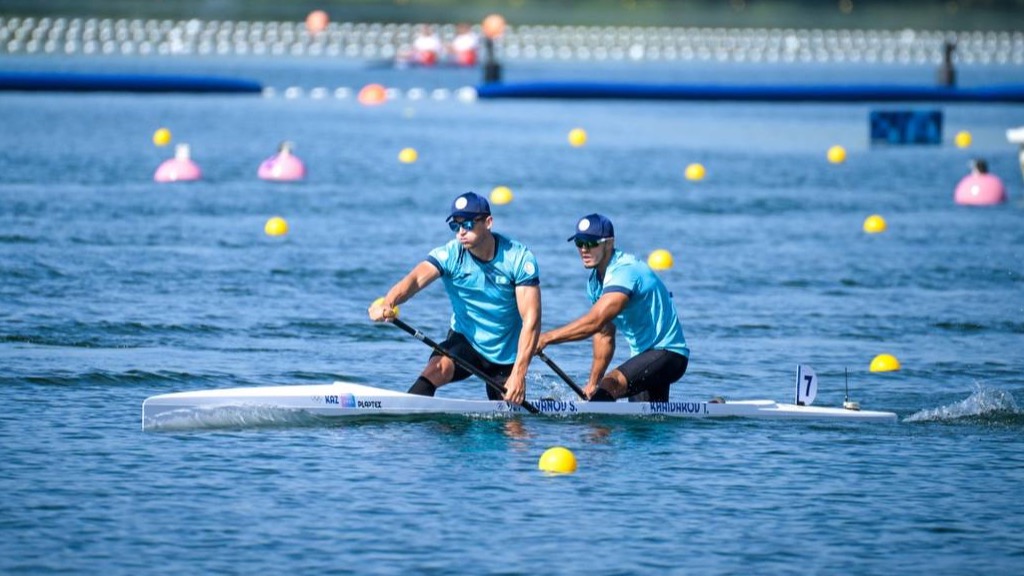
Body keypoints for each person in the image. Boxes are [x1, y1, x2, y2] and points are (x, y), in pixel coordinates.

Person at [368, 192, 541, 405]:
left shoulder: (518, 258)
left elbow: (531, 321)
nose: (461, 232)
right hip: (466, 341)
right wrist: (389, 302)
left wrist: (519, 374)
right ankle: (406, 419)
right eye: (455, 226)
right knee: (436, 368)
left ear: (488, 222)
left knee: (513, 429)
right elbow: (414, 280)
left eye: (467, 224)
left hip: (507, 352)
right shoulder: (451, 254)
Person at [535, 214, 689, 403]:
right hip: (644, 357)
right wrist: (593, 383)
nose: (584, 249)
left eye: (591, 243)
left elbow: (595, 321)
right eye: (580, 243)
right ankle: (714, 408)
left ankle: (594, 431)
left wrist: (547, 338)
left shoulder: (625, 271)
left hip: (669, 354)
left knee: (611, 384)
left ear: (609, 243)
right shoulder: (595, 283)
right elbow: (604, 335)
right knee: (643, 427)